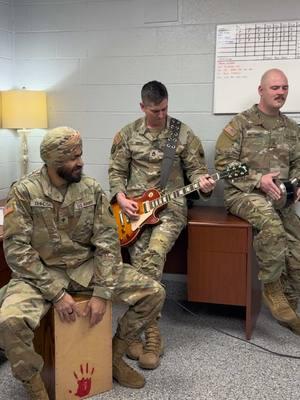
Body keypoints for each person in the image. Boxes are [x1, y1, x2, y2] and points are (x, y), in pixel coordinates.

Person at [0, 127, 166, 400]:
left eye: (81, 154)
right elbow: (17, 251)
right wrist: (56, 293)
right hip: (40, 274)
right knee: (10, 321)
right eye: (73, 157)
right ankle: (35, 386)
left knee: (153, 293)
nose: (81, 162)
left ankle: (111, 358)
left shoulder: (91, 190)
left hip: (85, 268)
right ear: (54, 162)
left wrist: (102, 292)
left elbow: (107, 242)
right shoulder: (25, 192)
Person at [109, 80, 215, 369]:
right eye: (155, 110)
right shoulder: (128, 134)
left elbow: (198, 174)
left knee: (152, 257)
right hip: (133, 215)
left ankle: (147, 334)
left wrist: (204, 184)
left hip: (171, 209)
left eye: (165, 109)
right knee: (139, 266)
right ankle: (143, 331)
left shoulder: (182, 134)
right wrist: (120, 197)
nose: (161, 115)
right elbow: (116, 172)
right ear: (142, 107)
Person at [215, 68, 300, 335]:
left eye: (284, 88)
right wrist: (257, 179)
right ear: (261, 90)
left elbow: (298, 164)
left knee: (297, 249)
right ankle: (271, 287)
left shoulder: (292, 128)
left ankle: (291, 309)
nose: (281, 93)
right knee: (272, 227)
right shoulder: (240, 124)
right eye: (275, 88)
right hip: (244, 194)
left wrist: (297, 184)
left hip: (280, 197)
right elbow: (223, 164)